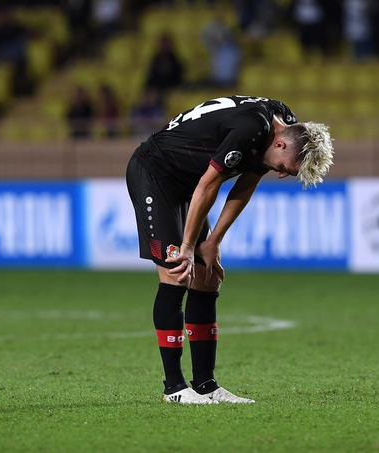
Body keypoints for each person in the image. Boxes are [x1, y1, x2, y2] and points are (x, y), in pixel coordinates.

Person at [125, 95, 333, 404]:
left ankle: (206, 385)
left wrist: (213, 242)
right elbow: (209, 185)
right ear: (281, 146)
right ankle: (175, 388)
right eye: (287, 169)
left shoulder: (283, 123)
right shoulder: (252, 128)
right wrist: (186, 248)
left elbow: (245, 184)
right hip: (155, 174)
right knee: (177, 272)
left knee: (207, 277)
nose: (281, 174)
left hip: (187, 182)